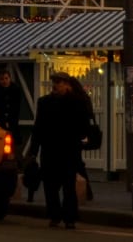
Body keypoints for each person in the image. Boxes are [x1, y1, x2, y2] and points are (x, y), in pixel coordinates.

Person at [27, 72, 89, 230]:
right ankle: (54, 215)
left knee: (69, 186)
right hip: (50, 150)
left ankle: (70, 217)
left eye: (59, 82)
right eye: (54, 82)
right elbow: (38, 128)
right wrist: (33, 151)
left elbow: (83, 125)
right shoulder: (45, 102)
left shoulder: (76, 102)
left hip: (69, 150)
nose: (56, 85)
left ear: (67, 85)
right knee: (50, 186)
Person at [0, 69, 22, 139]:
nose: (4, 81)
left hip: (12, 120)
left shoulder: (15, 89)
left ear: (10, 78)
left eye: (6, 78)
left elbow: (17, 106)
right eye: (2, 79)